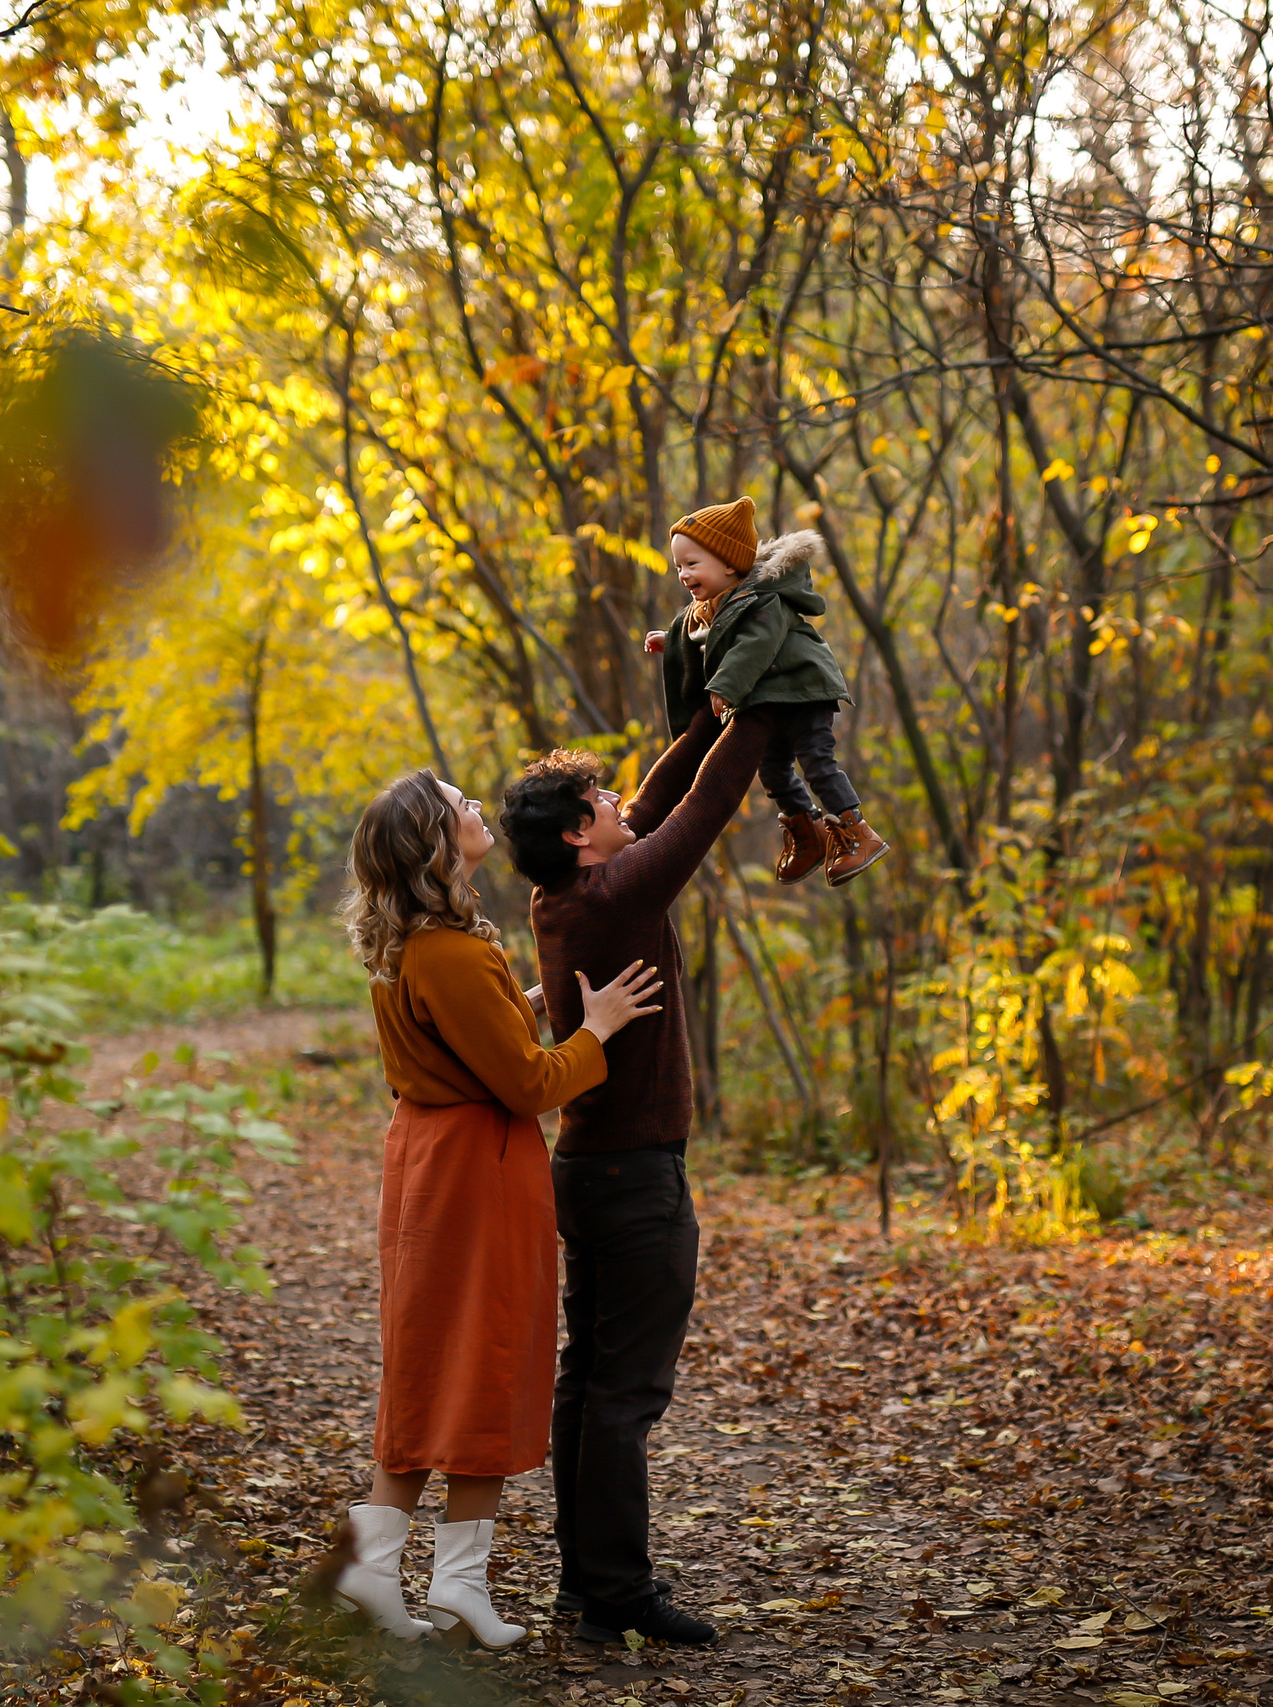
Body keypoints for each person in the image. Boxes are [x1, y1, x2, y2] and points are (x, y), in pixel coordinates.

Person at [330, 771, 667, 1649]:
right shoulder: (454, 949)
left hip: (426, 1164)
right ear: (436, 842)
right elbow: (525, 1082)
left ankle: (375, 1570)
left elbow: (467, 1039)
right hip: (477, 1172)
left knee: (425, 1368)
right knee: (485, 1367)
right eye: (460, 805)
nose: (478, 809)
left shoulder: (413, 943)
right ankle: (457, 1587)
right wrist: (596, 1030)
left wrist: (541, 1004)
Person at [498, 697, 777, 1648]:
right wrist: (762, 708)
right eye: (600, 798)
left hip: (595, 1169)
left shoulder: (564, 892)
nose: (620, 800)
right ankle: (613, 1590)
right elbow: (700, 811)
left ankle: (589, 1582)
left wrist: (707, 711)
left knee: (593, 1382)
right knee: (624, 1393)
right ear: (582, 835)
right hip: (632, 1181)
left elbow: (659, 803)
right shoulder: (613, 897)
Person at [643, 496, 888, 888]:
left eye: (692, 564)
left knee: (817, 761)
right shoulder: (712, 605)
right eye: (678, 567)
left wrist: (725, 685)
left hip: (804, 688)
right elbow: (702, 632)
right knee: (773, 770)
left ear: (728, 563)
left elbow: (752, 645)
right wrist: (670, 639)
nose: (683, 575)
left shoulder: (764, 600)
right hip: (773, 697)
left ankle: (858, 833)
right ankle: (809, 834)